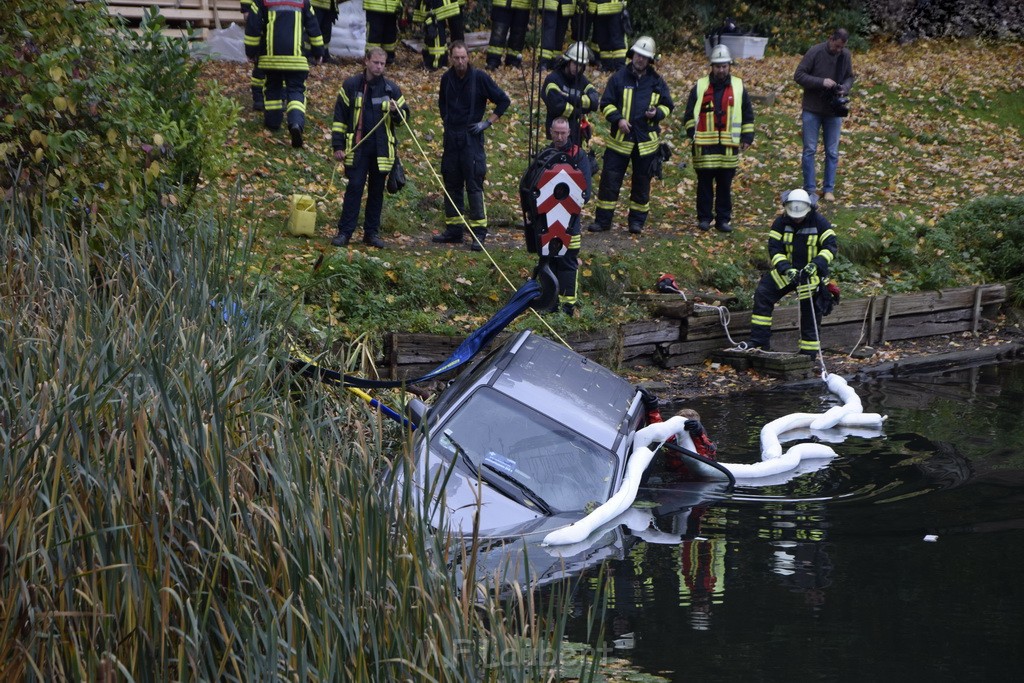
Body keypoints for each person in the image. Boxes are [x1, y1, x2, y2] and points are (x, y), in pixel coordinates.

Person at [587, 35, 673, 236]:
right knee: (609, 181)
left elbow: (668, 106)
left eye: (644, 56)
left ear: (649, 59)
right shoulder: (618, 78)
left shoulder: (657, 82)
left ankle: (636, 223)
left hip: (646, 143)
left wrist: (657, 114)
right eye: (637, 54)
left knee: (642, 184)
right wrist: (618, 120)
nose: (640, 59)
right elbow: (606, 104)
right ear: (631, 54)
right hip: (619, 142)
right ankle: (603, 220)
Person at [432, 41, 511, 252]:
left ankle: (479, 233)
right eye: (456, 58)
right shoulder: (446, 79)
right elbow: (442, 103)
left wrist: (487, 122)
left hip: (471, 138)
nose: (460, 61)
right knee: (451, 183)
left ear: (469, 57)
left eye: (463, 57)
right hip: (451, 138)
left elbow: (503, 101)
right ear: (450, 58)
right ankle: (454, 230)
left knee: (474, 185)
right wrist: (447, 121)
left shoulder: (480, 78)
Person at [330, 47, 410, 249]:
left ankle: (371, 233)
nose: (379, 67)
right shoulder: (351, 86)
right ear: (366, 61)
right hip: (358, 148)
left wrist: (396, 111)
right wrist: (338, 145)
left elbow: (405, 120)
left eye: (382, 64)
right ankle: (345, 233)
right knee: (354, 187)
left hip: (381, 150)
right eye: (375, 63)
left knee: (376, 192)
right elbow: (340, 117)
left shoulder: (391, 89)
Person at [746, 189, 838, 356]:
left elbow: (830, 247)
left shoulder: (820, 222)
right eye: (794, 216)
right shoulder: (780, 223)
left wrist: (815, 265)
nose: (797, 219)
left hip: (810, 276)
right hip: (787, 272)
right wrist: (786, 269)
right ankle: (759, 341)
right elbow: (775, 248)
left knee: (810, 312)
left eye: (800, 216)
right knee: (763, 293)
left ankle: (808, 353)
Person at [520, 117, 592, 315]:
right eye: (556, 132)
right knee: (548, 260)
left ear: (569, 133)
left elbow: (585, 192)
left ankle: (567, 306)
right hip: (545, 220)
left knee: (568, 262)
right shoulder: (545, 156)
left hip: (569, 221)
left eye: (563, 133)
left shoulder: (578, 156)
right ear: (551, 132)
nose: (560, 137)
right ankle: (549, 304)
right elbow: (532, 185)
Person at [683, 44, 755, 234]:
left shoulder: (739, 87)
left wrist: (747, 136)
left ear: (729, 66)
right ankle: (704, 218)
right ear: (712, 67)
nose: (721, 69)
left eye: (724, 66)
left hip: (729, 145)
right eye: (718, 66)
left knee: (725, 185)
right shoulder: (700, 86)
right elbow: (689, 115)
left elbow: (747, 113)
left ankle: (723, 219)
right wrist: (693, 134)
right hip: (704, 145)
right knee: (705, 184)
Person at [244, 0, 324, 148]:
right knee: (296, 90)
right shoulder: (303, 1)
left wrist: (251, 51)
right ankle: (295, 123)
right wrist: (319, 52)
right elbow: (313, 26)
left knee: (272, 88)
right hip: (296, 59)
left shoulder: (262, 1)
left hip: (271, 59)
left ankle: (273, 123)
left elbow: (253, 27)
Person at [794, 28, 855, 202]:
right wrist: (821, 82)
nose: (838, 50)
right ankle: (810, 189)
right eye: (836, 46)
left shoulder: (845, 55)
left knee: (832, 151)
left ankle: (829, 188)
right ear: (830, 39)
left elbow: (850, 77)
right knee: (810, 150)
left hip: (833, 110)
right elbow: (798, 75)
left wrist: (845, 88)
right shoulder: (815, 51)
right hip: (812, 109)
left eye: (841, 48)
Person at [542, 41, 599, 148]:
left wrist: (571, 98)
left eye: (581, 65)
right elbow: (557, 106)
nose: (578, 68)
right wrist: (579, 110)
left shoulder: (582, 81)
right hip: (556, 133)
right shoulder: (553, 79)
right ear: (568, 61)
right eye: (575, 63)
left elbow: (594, 101)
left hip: (576, 134)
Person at [575, 0, 627, 72]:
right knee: (604, 41)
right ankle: (609, 66)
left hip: (613, 9)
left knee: (616, 42)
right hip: (601, 10)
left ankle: (620, 68)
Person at [414, 0, 466, 71]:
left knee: (436, 33)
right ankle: (438, 60)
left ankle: (436, 63)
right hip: (444, 5)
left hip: (437, 6)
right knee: (436, 30)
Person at [485, 0, 531, 70]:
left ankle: (513, 61)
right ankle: (493, 61)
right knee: (498, 35)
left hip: (523, 5)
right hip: (502, 3)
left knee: (518, 36)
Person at [239, 0, 266, 111]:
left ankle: (264, 98)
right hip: (262, 12)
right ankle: (259, 99)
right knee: (261, 62)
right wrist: (246, 8)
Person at [538, 0, 579, 70]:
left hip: (566, 5)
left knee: (560, 32)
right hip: (551, 3)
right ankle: (544, 61)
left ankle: (554, 61)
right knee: (549, 30)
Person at [364, 0, 402, 65]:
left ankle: (388, 58)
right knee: (374, 37)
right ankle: (372, 58)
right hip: (374, 6)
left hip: (392, 7)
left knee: (390, 36)